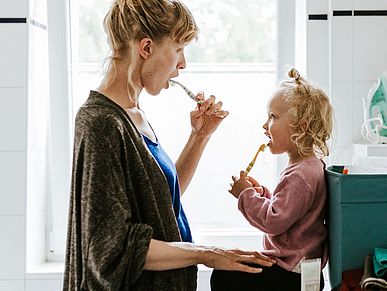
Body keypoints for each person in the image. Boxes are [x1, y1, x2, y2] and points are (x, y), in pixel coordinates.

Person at [63, 0, 275, 290]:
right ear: (146, 48)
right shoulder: (100, 123)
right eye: (178, 50)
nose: (183, 64)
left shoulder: (134, 114)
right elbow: (109, 246)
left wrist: (199, 137)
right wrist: (206, 253)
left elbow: (160, 199)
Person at [210, 68, 333, 291]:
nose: (265, 124)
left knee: (223, 275)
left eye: (273, 117)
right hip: (301, 271)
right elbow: (291, 212)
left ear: (300, 127)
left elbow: (274, 221)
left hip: (290, 275)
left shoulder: (301, 174)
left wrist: (245, 195)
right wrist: (264, 195)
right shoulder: (307, 167)